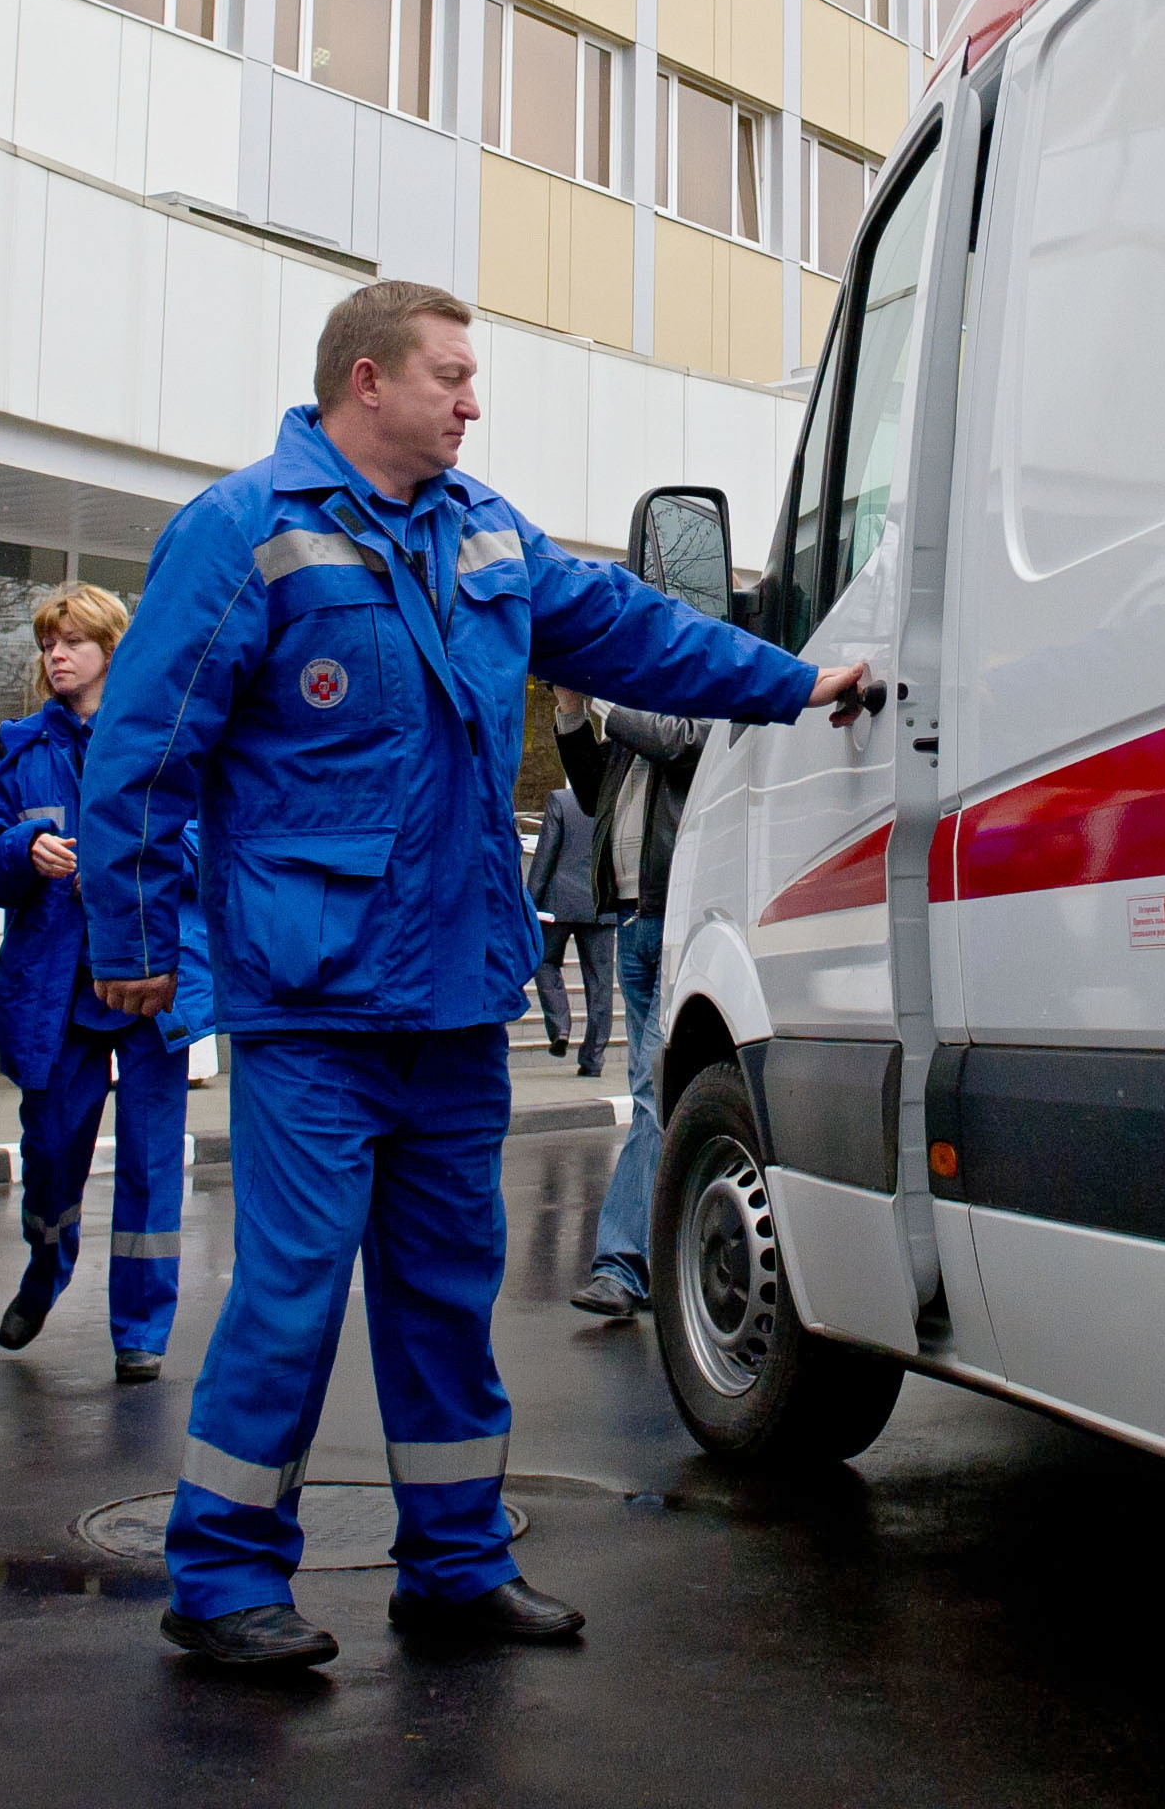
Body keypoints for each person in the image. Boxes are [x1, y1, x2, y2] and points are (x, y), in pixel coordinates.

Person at [69, 279, 870, 1670]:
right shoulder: (243, 530)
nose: (472, 397)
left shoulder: (483, 530)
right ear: (366, 382)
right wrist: (135, 946)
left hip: (451, 996)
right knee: (294, 1288)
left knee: (449, 1286)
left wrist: (796, 683)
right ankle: (222, 1579)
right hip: (314, 1000)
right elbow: (144, 752)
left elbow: (635, 631)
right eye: (450, 373)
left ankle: (454, 1563)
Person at [0, 584, 218, 1379]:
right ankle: (46, 1270)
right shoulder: (14, 749)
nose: (57, 655)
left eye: (73, 640)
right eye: (48, 643)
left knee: (150, 1163)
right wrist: (25, 849)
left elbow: (212, 849)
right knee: (52, 1150)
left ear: (113, 649)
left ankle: (141, 1331)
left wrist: (128, 856)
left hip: (151, 982)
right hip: (56, 988)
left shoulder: (166, 738)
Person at [561, 694, 708, 1317]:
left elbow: (682, 741)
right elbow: (596, 798)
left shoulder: (693, 695)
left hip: (677, 918)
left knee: (652, 1092)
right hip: (630, 916)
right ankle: (667, 1256)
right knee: (659, 1095)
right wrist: (572, 716)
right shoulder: (630, 722)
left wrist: (604, 698)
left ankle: (620, 1264)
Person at [525, 752, 611, 1072]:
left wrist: (530, 903)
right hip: (601, 904)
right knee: (600, 983)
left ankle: (560, 1026)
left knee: (544, 961)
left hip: (558, 903)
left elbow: (545, 854)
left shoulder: (560, 800)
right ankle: (593, 1060)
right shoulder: (613, 803)